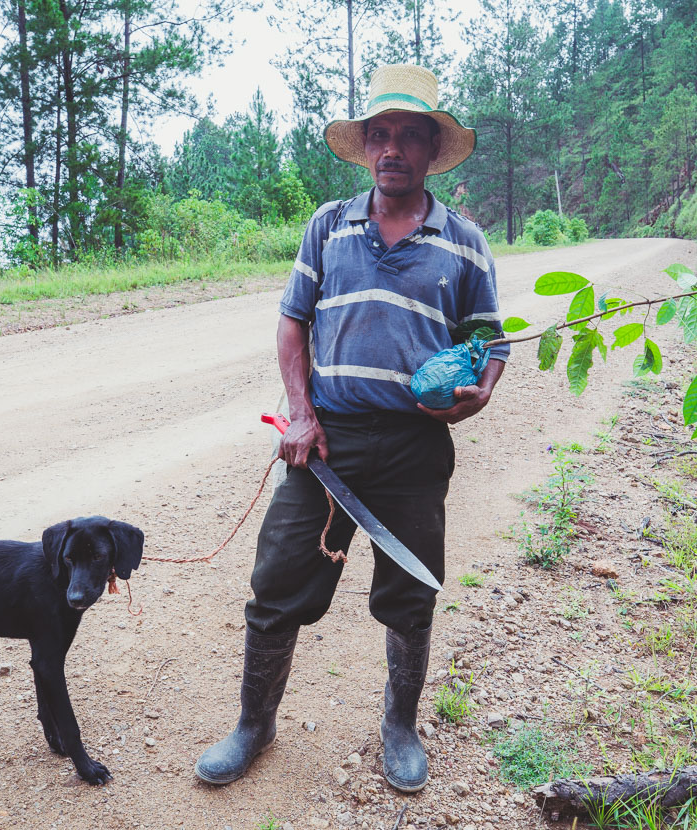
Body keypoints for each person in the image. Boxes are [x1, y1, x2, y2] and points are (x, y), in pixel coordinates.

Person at [194, 64, 508, 794]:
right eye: (379, 136)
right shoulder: (328, 225)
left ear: (432, 151)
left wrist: (480, 395)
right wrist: (299, 411)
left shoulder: (461, 241)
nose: (391, 149)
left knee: (410, 591)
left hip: (413, 446)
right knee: (276, 586)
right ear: (365, 147)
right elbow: (291, 321)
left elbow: (488, 339)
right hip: (325, 442)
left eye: (407, 137)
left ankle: (399, 726)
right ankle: (253, 725)